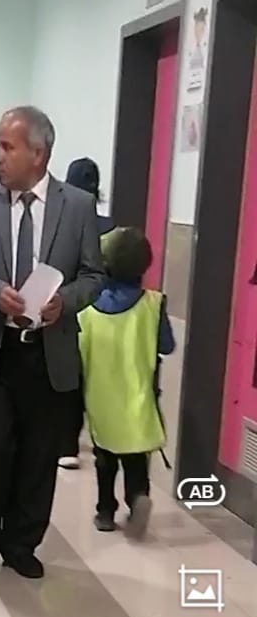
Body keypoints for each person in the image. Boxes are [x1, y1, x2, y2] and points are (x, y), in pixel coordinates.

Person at [0, 106, 103, 581]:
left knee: (39, 455)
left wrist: (65, 303)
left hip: (48, 351)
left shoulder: (77, 207)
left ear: (38, 153)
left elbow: (93, 276)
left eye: (7, 147)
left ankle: (21, 543)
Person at [79, 227, 175, 537]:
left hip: (100, 398)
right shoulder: (154, 304)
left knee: (104, 459)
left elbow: (78, 354)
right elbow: (167, 346)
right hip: (139, 398)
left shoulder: (87, 308)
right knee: (136, 457)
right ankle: (137, 498)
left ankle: (105, 511)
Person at [58, 157, 115, 469]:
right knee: (102, 380)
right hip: (108, 314)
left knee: (72, 380)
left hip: (73, 311)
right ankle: (105, 441)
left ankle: (67, 445)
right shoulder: (111, 227)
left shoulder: (64, 224)